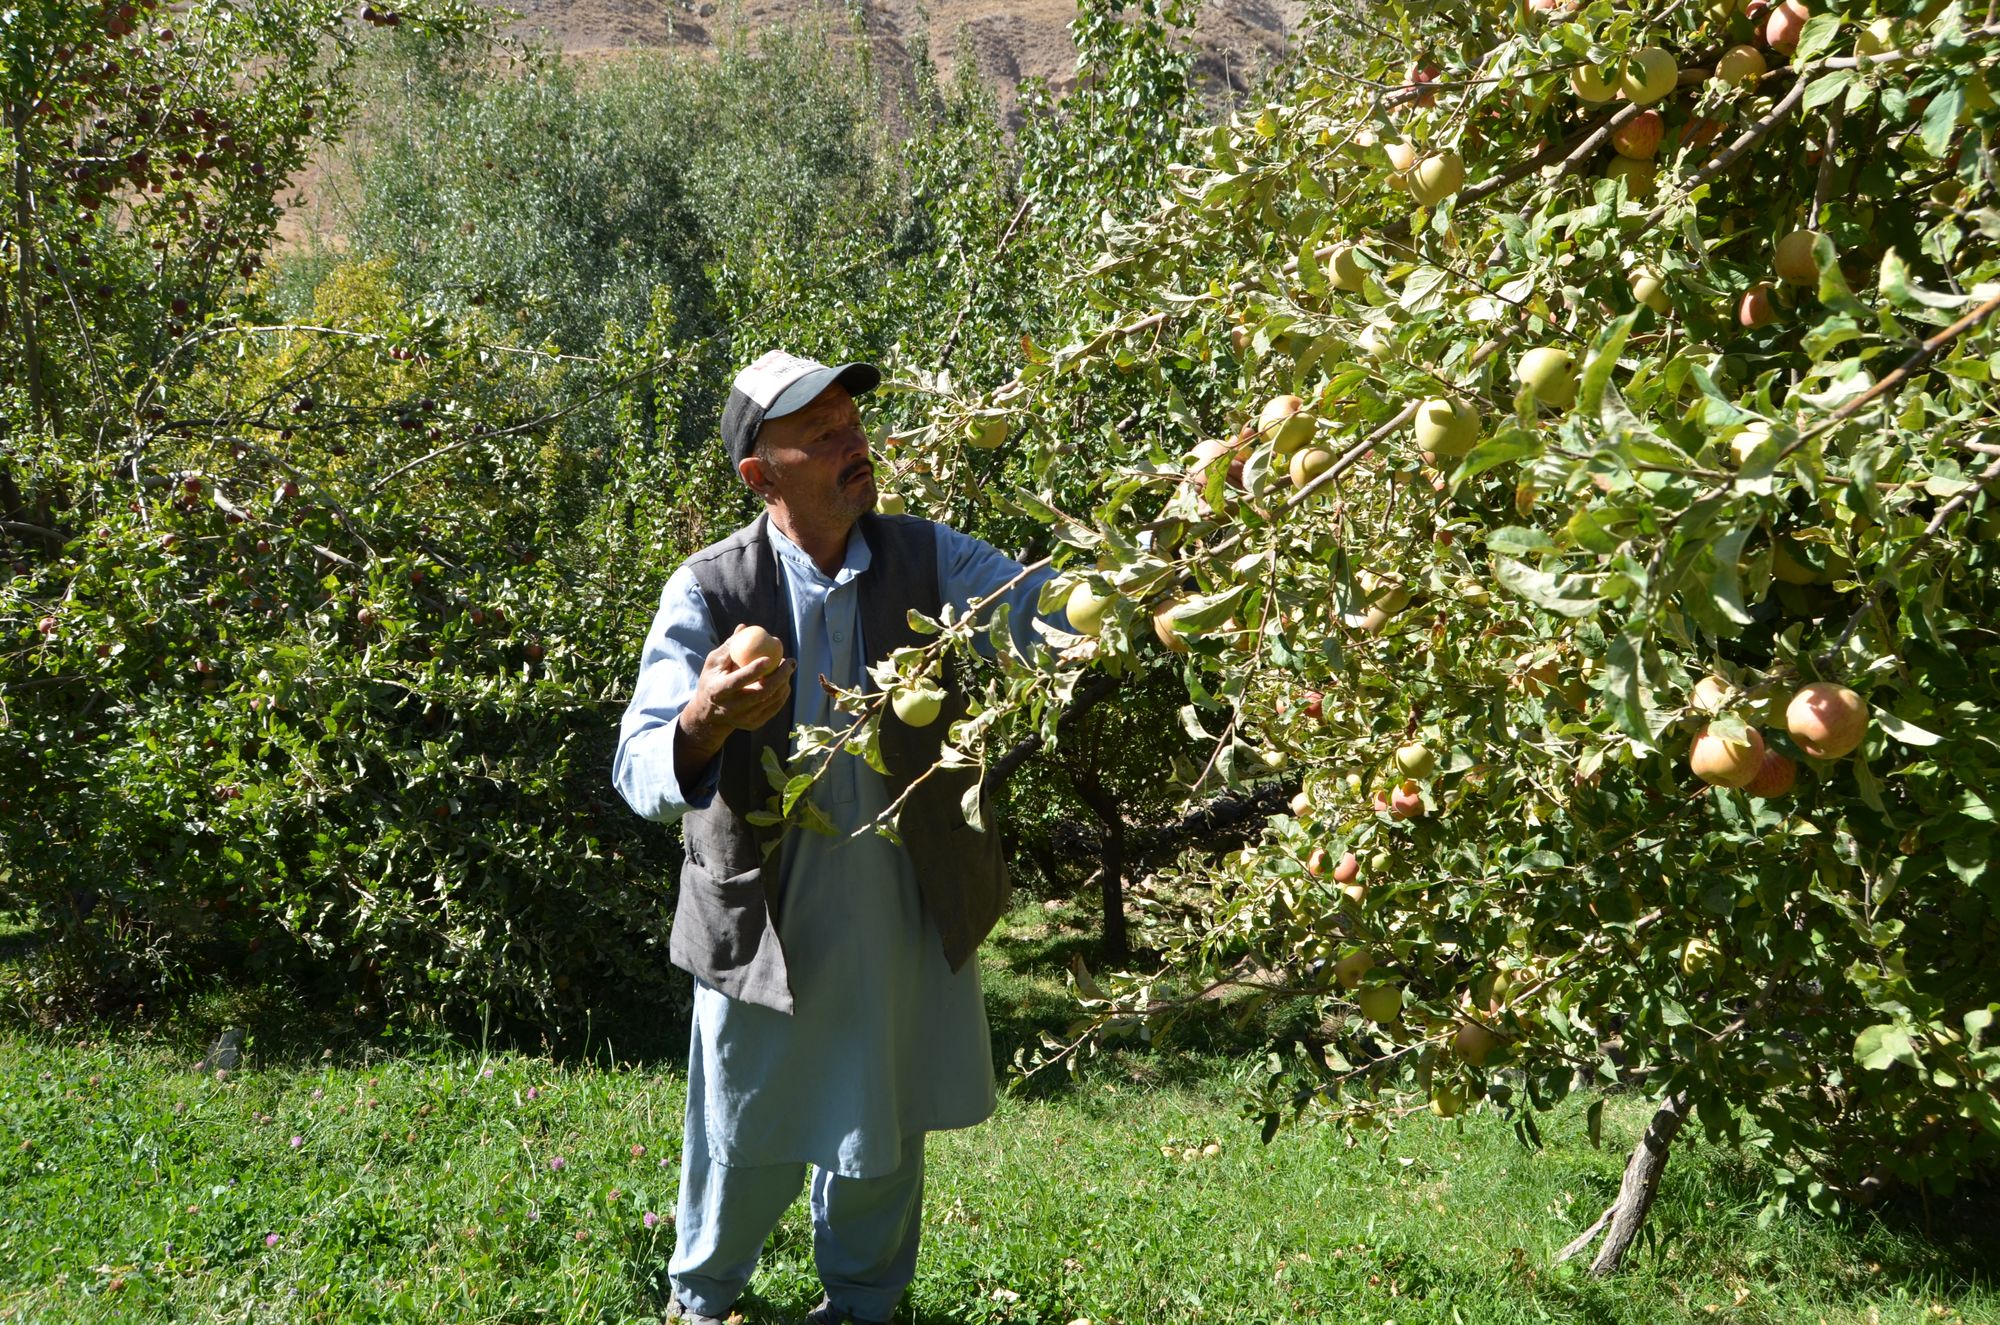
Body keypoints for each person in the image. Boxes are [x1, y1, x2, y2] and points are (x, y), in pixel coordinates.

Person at [613, 350, 1061, 1325]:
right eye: (821, 436)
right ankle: (702, 1301)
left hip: (901, 904)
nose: (853, 445)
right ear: (759, 473)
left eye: (852, 425)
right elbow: (638, 764)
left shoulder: (924, 556)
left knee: (884, 1123)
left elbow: (1035, 606)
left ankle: (865, 1303)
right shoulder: (710, 589)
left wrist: (1147, 587)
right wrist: (702, 718)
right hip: (768, 915)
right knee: (742, 1131)